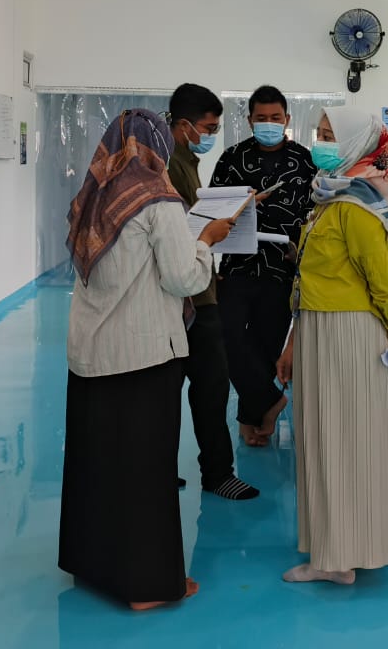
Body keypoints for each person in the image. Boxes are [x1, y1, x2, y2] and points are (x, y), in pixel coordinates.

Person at [59, 108, 233, 610]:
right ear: (158, 147)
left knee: (97, 465)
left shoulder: (92, 196)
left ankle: (93, 565)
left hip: (90, 354)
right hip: (142, 356)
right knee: (144, 471)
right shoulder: (159, 198)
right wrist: (206, 243)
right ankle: (147, 586)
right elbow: (183, 278)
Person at [275, 108, 388, 585]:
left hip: (346, 333)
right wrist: (293, 341)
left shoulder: (356, 208)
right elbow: (307, 279)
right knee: (321, 437)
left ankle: (340, 557)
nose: (321, 142)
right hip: (319, 327)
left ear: (356, 144)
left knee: (342, 440)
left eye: (331, 135)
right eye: (320, 133)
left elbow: (384, 280)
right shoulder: (329, 199)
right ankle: (332, 550)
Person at [166, 82, 259, 501]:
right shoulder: (169, 164)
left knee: (209, 387)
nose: (210, 135)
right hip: (185, 297)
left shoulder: (185, 160)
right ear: (184, 124)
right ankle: (213, 473)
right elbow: (177, 232)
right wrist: (209, 237)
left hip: (198, 286)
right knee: (204, 386)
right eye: (208, 128)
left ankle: (211, 471)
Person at [211, 85, 317, 447]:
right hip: (236, 268)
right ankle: (271, 402)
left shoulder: (306, 161)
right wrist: (243, 207)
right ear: (249, 120)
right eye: (261, 118)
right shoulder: (232, 159)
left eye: (275, 118)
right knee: (225, 339)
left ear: (287, 119)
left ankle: (252, 419)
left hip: (282, 271)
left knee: (263, 348)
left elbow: (315, 217)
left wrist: (302, 256)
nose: (269, 123)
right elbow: (211, 211)